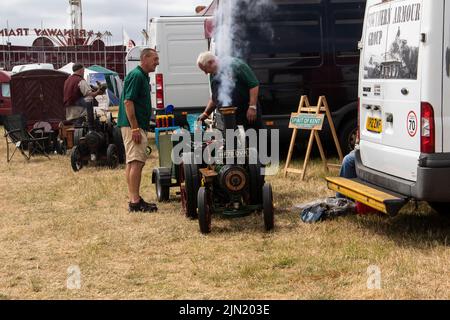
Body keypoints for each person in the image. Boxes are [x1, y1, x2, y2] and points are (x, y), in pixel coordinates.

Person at [117, 48, 159, 213]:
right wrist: (134, 127)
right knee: (136, 162)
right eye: (155, 59)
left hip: (133, 125)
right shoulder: (137, 76)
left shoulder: (141, 75)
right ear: (145, 58)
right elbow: (128, 102)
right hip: (133, 126)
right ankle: (135, 202)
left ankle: (134, 198)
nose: (157, 62)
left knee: (132, 162)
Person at [196, 51, 263, 130]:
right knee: (231, 140)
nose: (205, 73)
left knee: (254, 138)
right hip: (228, 116)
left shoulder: (236, 65)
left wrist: (252, 107)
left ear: (211, 62)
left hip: (246, 111)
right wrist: (206, 113)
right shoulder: (213, 74)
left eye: (205, 69)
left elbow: (253, 85)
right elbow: (215, 96)